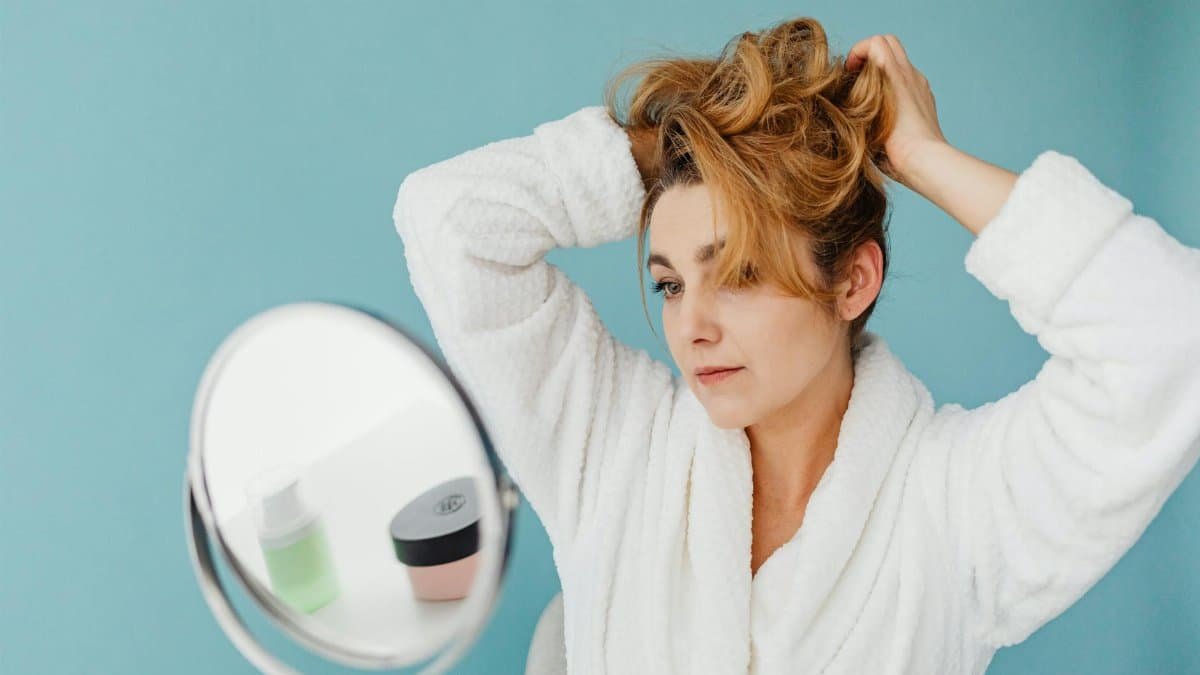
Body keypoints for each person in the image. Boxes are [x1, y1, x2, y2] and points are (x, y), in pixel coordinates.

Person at [392, 16, 1200, 675]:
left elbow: (1172, 334)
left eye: (738, 271)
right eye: (670, 282)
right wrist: (689, 139)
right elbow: (447, 220)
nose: (692, 325)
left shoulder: (955, 509)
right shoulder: (612, 451)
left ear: (853, 282)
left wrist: (922, 156)